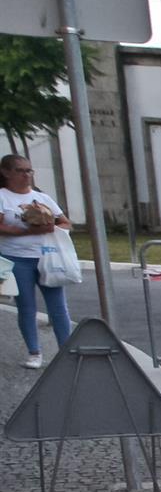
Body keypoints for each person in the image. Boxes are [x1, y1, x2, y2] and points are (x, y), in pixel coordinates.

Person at [0, 154, 74, 368]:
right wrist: (25, 231)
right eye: (20, 171)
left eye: (29, 171)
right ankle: (34, 352)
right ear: (6, 173)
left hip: (47, 257)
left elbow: (66, 223)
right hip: (16, 258)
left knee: (58, 306)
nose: (26, 175)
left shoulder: (42, 198)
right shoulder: (3, 196)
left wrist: (52, 227)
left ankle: (66, 350)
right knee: (26, 306)